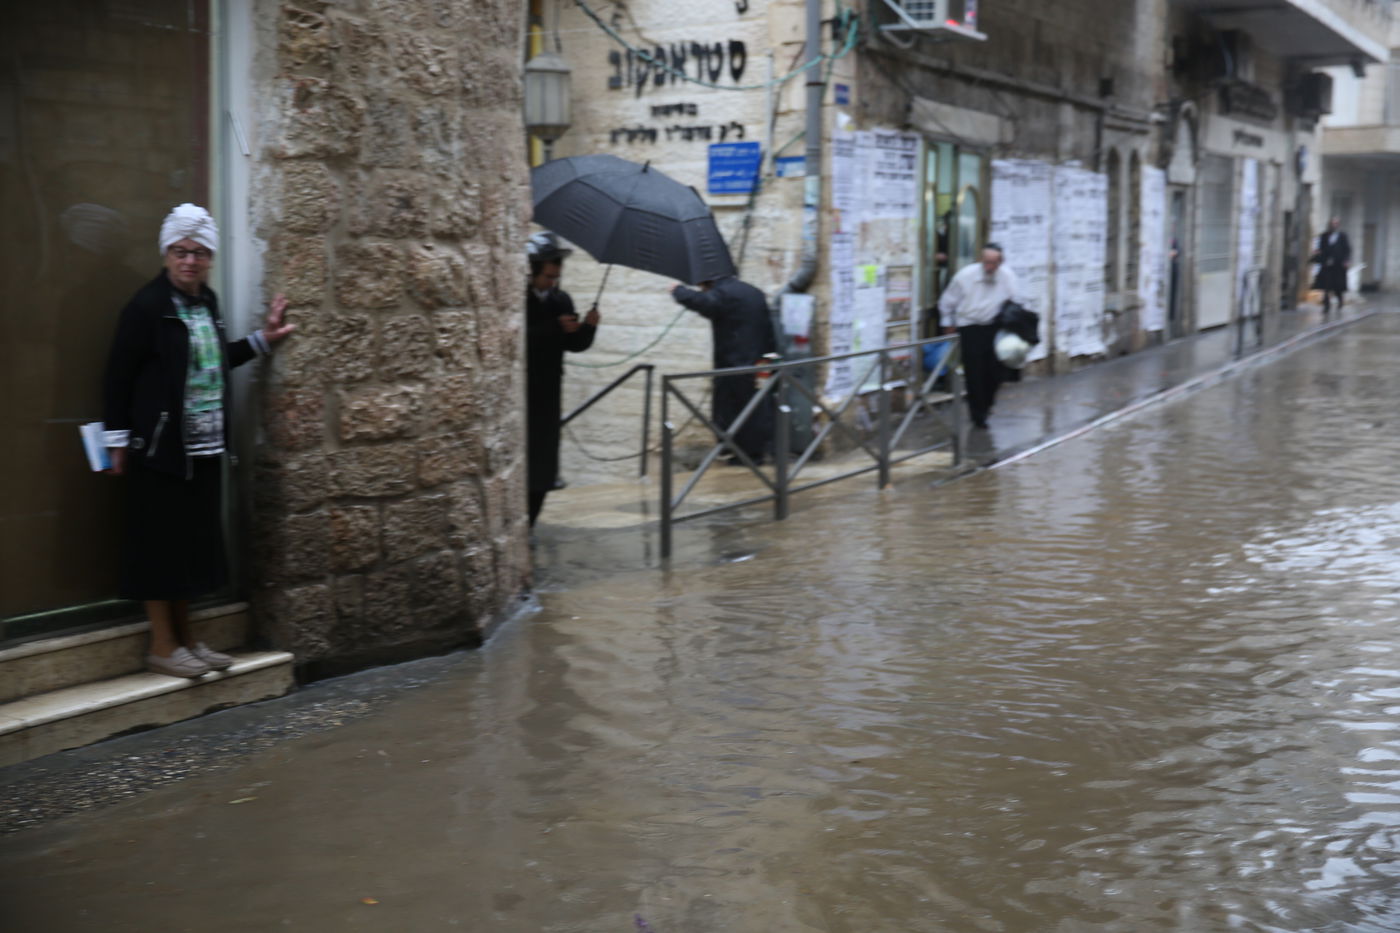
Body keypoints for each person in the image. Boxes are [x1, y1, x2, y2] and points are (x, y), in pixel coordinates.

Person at [103, 203, 294, 679]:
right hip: (160, 449)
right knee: (158, 546)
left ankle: (187, 640)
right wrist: (117, 440)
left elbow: (210, 360)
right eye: (180, 251)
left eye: (199, 252)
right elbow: (118, 376)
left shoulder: (206, 302)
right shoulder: (147, 307)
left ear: (210, 258)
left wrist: (261, 340)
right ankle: (162, 645)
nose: (189, 260)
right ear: (166, 254)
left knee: (189, 545)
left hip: (202, 448)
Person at [525, 232, 599, 526]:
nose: (552, 283)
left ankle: (531, 522)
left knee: (544, 461)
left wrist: (588, 328)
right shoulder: (517, 300)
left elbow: (574, 344)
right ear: (532, 271)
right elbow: (519, 338)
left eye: (556, 277)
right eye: (547, 277)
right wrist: (554, 328)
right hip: (524, 391)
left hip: (549, 391)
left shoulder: (561, 299)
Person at [670, 275, 778, 464]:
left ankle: (746, 457)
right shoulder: (753, 292)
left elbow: (705, 303)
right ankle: (750, 452)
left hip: (735, 362)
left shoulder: (724, 293)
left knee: (737, 409)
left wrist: (678, 291)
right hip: (759, 359)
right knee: (755, 407)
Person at [938, 243, 1022, 429]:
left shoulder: (1008, 277)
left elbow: (1016, 301)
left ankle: (987, 404)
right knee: (974, 372)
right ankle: (978, 414)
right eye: (986, 262)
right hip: (970, 326)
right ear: (980, 260)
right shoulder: (965, 276)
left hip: (995, 327)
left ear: (1000, 262)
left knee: (996, 372)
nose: (989, 267)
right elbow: (947, 301)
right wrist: (948, 323)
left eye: (993, 263)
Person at [1312, 216, 1351, 315]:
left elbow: (1347, 249)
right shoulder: (1324, 236)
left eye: (1336, 223)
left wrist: (1346, 260)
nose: (1334, 225)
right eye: (1332, 223)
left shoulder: (1342, 236)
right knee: (1326, 286)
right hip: (1327, 265)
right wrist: (1318, 254)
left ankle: (1340, 300)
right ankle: (1326, 305)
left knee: (1337, 286)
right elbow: (1320, 247)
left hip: (1338, 265)